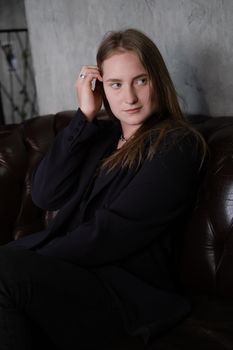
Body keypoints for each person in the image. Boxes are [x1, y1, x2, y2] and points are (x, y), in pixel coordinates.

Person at [0, 28, 206, 349]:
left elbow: (110, 233)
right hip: (80, 278)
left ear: (158, 80)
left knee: (6, 267)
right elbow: (45, 194)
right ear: (101, 88)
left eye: (141, 80)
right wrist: (84, 115)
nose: (130, 97)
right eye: (116, 84)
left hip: (125, 296)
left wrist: (32, 256)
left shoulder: (176, 145)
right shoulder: (101, 138)